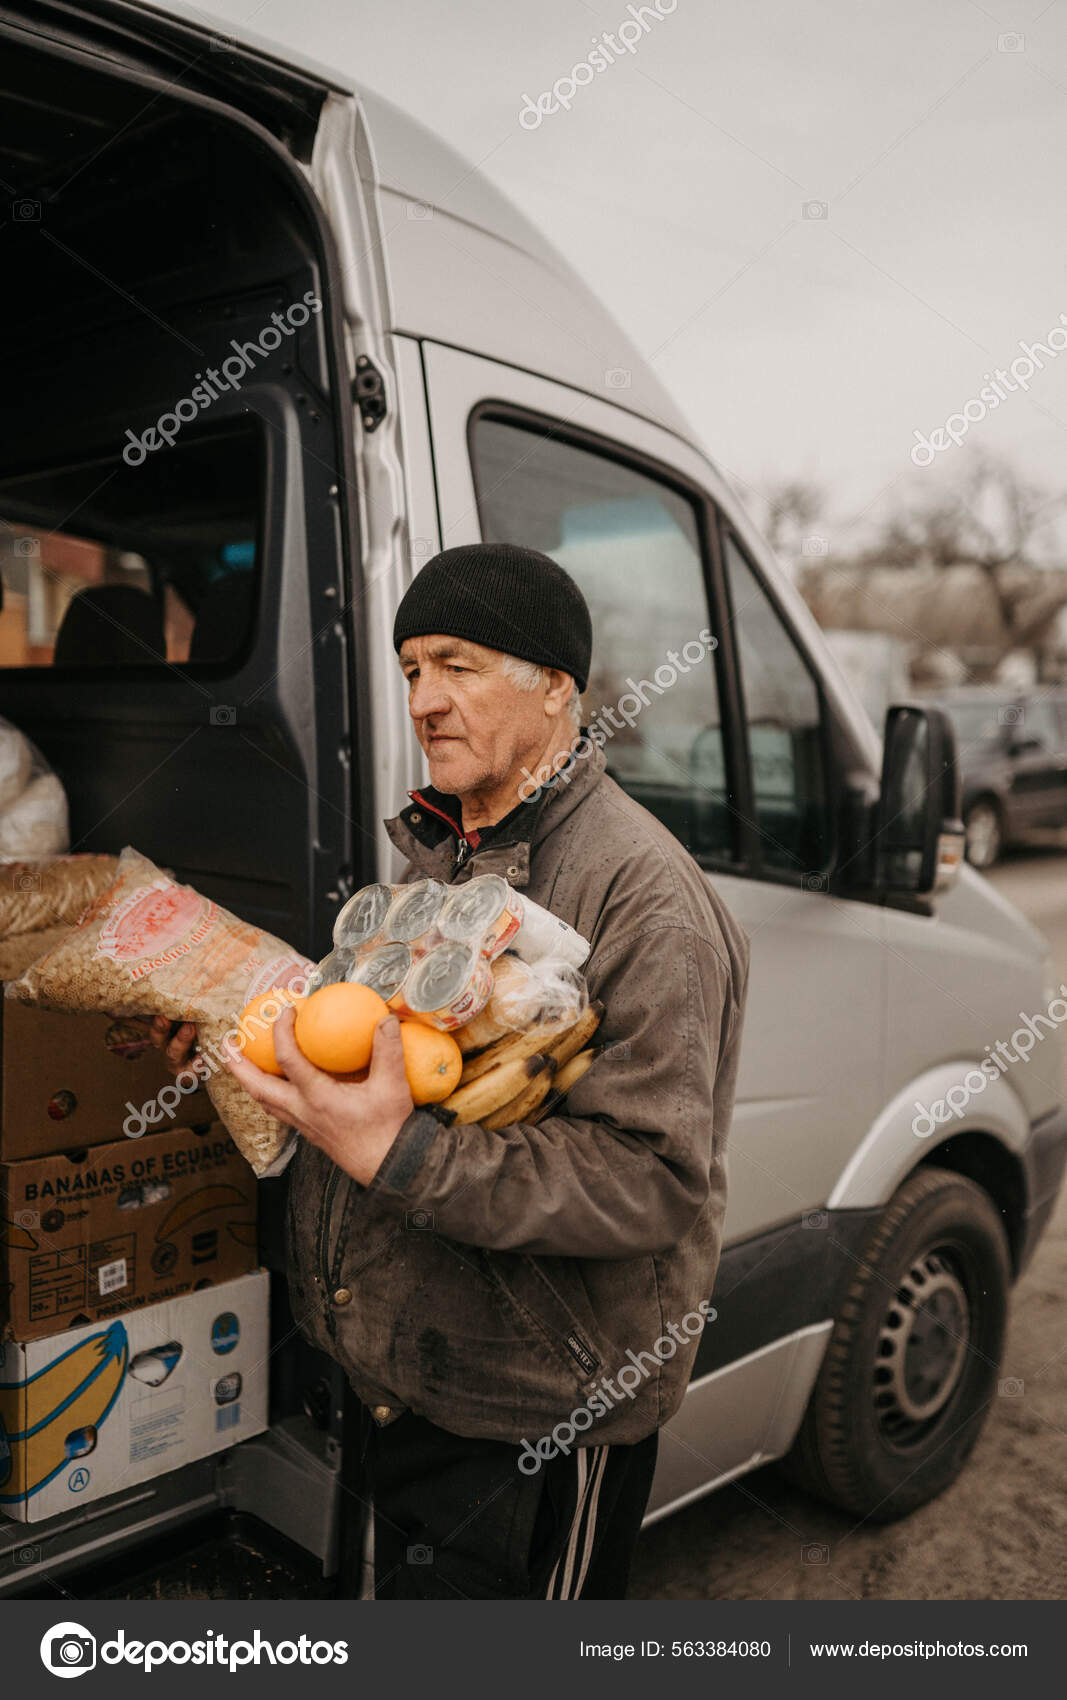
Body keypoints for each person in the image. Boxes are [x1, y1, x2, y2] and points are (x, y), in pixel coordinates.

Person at [153, 542, 749, 1600]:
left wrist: (399, 1151)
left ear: (556, 686)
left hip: (537, 1411)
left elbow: (652, 1178)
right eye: (411, 668)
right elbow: (388, 1067)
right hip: (405, 1383)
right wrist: (240, 1046)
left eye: (457, 664)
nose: (423, 699)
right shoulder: (447, 858)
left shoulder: (642, 895)